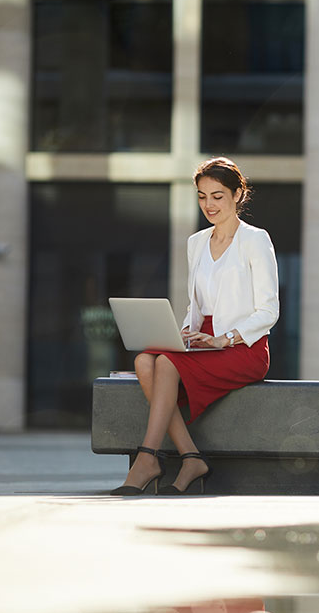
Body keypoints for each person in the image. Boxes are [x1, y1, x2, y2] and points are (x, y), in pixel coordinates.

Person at [110, 157, 279, 496]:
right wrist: (186, 334)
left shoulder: (255, 240)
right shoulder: (197, 243)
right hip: (204, 343)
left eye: (217, 196)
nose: (209, 205)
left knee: (166, 364)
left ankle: (148, 459)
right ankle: (191, 457)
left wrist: (223, 339)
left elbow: (269, 310)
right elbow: (196, 307)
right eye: (202, 196)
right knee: (146, 360)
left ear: (237, 194)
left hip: (244, 348)